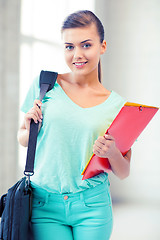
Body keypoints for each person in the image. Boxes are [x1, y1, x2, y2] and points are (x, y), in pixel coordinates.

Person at [17, 10, 131, 240]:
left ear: (103, 46)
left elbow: (124, 171)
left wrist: (112, 153)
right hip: (44, 204)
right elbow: (23, 139)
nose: (77, 54)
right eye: (69, 47)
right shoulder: (45, 85)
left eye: (86, 45)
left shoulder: (118, 106)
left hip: (93, 206)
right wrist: (29, 129)